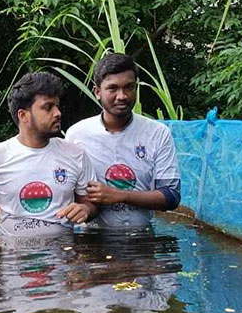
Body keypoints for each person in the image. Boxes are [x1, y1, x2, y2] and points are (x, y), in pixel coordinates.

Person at [64, 53, 180, 228]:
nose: (122, 96)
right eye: (112, 88)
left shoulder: (157, 133)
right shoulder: (77, 135)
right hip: (93, 241)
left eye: (129, 87)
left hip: (142, 241)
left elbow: (171, 196)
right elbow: (67, 193)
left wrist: (119, 195)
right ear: (97, 92)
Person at [0, 71, 98, 236]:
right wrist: (8, 204)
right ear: (23, 116)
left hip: (62, 253)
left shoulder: (75, 154)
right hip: (12, 255)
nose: (58, 113)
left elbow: (90, 204)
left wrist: (85, 209)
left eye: (57, 106)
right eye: (48, 107)